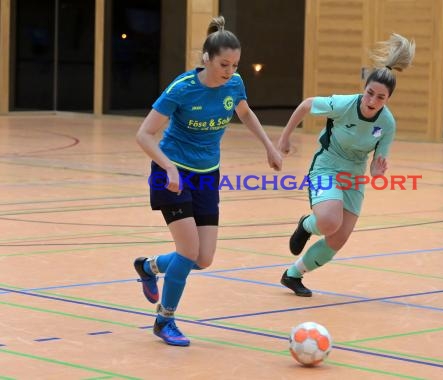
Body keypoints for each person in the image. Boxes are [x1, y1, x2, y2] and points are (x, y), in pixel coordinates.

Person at [133, 15, 282, 346]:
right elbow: (144, 134)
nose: (229, 71)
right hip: (171, 173)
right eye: (223, 64)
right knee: (187, 251)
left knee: (203, 258)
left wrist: (269, 145)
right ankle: (165, 320)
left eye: (234, 65)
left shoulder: (234, 83)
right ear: (206, 59)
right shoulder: (182, 89)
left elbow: (244, 113)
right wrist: (168, 167)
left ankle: (149, 266)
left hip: (207, 176)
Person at [277, 33, 415, 297]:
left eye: (380, 98)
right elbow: (306, 105)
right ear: (364, 89)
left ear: (387, 100)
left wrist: (377, 171)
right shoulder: (344, 104)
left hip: (354, 174)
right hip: (327, 165)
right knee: (329, 221)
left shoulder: (387, 124)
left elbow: (377, 163)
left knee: (338, 238)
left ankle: (293, 275)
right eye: (370, 93)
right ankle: (307, 225)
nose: (372, 101)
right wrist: (284, 138)